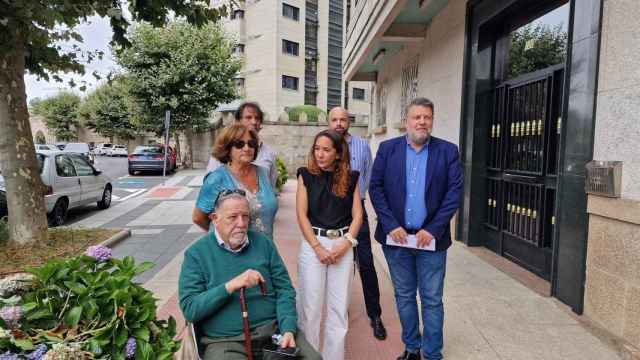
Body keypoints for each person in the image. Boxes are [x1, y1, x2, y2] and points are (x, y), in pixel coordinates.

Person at [369, 98, 463, 360]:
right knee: (405, 295)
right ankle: (412, 348)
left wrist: (433, 229)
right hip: (396, 239)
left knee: (432, 299)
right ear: (406, 121)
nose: (422, 122)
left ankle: (432, 353)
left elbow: (453, 193)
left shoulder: (447, 151)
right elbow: (376, 188)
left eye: (427, 117)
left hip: (430, 241)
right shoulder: (388, 149)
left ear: (432, 121)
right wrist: (391, 225)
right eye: (416, 117)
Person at [179, 191, 321, 360]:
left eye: (245, 216)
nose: (241, 223)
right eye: (233, 217)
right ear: (215, 218)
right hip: (226, 342)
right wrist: (230, 286)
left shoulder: (263, 244)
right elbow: (190, 309)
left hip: (274, 334)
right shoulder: (197, 254)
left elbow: (285, 290)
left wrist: (288, 329)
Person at [296, 129, 363, 360]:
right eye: (317, 149)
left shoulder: (352, 177)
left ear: (337, 153)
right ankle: (310, 356)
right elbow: (301, 215)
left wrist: (347, 244)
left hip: (342, 245)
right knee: (309, 308)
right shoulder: (305, 175)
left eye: (326, 150)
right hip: (313, 244)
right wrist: (317, 248)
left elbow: (358, 216)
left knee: (338, 310)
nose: (320, 154)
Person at [327, 107, 387, 340]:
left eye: (343, 119)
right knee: (338, 262)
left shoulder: (363, 146)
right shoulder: (322, 144)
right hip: (331, 212)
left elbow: (370, 180)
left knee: (366, 263)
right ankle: (338, 311)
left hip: (357, 211)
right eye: (335, 119)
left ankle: (375, 315)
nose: (339, 123)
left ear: (349, 121)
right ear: (328, 121)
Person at [193, 124, 278, 239]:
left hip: (264, 251)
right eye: (239, 144)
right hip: (231, 253)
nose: (247, 148)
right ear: (228, 149)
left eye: (251, 144)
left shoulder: (263, 173)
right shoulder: (216, 179)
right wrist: (222, 234)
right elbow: (198, 218)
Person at [207, 101, 278, 189]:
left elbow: (271, 187)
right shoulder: (224, 149)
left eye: (257, 118)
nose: (254, 122)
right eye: (248, 117)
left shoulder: (269, 153)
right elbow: (209, 187)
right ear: (238, 121)